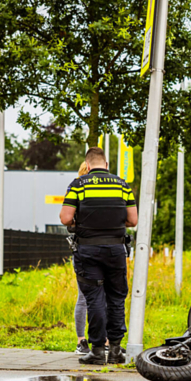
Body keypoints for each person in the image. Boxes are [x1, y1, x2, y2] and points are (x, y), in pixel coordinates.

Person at [60, 147, 138, 365]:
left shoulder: (78, 185)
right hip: (115, 250)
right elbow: (133, 220)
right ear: (106, 165)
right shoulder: (122, 185)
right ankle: (114, 350)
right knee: (116, 298)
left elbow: (66, 218)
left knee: (94, 299)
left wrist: (86, 222)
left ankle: (96, 351)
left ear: (88, 163)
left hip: (88, 251)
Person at [70, 160, 90, 355]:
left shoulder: (74, 189)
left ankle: (81, 342)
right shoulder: (103, 189)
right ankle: (108, 342)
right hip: (103, 246)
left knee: (83, 296)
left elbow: (67, 219)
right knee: (107, 296)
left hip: (82, 247)